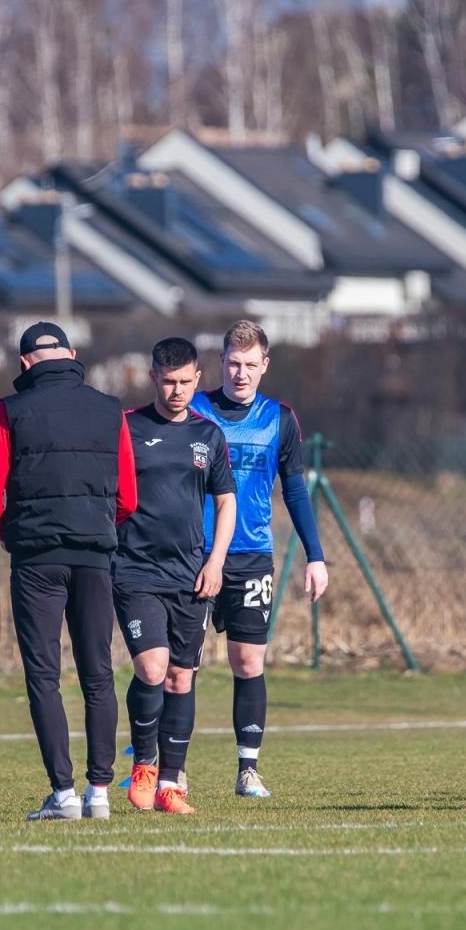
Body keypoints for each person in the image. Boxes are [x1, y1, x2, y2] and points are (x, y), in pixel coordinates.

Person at [0, 322, 137, 821]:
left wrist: (15, 534)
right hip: (95, 555)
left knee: (44, 676)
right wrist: (95, 526)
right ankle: (99, 792)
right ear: (72, 354)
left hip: (36, 559)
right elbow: (129, 497)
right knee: (98, 673)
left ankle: (63, 794)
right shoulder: (111, 410)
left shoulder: (10, 410)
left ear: (25, 363)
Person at [188, 320, 328, 798]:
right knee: (179, 665)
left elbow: (295, 490)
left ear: (265, 365)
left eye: (250, 364)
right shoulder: (194, 409)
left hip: (251, 555)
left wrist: (315, 556)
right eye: (233, 363)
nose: (241, 373)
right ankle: (167, 769)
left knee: (248, 661)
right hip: (194, 553)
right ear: (221, 362)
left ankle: (247, 770)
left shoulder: (279, 419)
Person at [115, 337, 237, 815]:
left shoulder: (209, 436)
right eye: (168, 381)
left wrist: (216, 561)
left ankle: (171, 785)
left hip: (191, 575)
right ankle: (144, 764)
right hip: (135, 571)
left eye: (186, 381)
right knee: (152, 668)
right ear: (153, 378)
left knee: (181, 678)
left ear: (198, 378)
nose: (177, 390)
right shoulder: (126, 429)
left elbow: (225, 502)